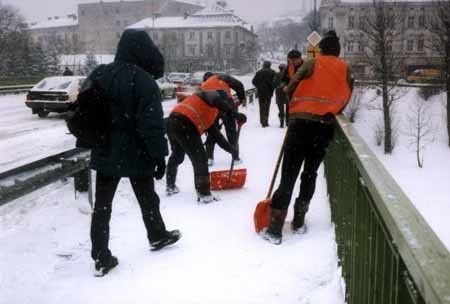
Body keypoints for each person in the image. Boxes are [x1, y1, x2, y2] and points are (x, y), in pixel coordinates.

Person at [86, 29, 181, 276]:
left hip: (105, 150)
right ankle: (157, 235)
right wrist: (160, 156)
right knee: (148, 198)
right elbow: (151, 125)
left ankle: (100, 257)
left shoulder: (100, 74)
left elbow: (86, 109)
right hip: (137, 152)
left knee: (102, 207)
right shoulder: (143, 80)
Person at [262, 30, 354, 245]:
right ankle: (299, 220)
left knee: (289, 174)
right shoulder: (346, 68)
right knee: (310, 173)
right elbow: (348, 93)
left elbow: (292, 86)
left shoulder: (313, 63)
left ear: (321, 49)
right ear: (338, 51)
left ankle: (275, 228)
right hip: (324, 128)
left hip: (301, 125)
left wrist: (297, 103)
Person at [165, 90, 247, 203]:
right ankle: (204, 195)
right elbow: (219, 102)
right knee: (200, 160)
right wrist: (235, 114)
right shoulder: (210, 96)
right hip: (185, 123)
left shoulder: (207, 111)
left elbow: (218, 137)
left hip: (172, 122)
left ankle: (170, 186)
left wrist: (232, 150)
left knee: (177, 155)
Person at [201, 72, 246, 165]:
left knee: (212, 131)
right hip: (226, 103)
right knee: (231, 132)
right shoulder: (221, 77)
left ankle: (209, 158)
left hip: (211, 106)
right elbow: (239, 85)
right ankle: (235, 158)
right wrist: (241, 98)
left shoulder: (203, 86)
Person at [252, 61, 276, 127]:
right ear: (270, 65)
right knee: (267, 106)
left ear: (263, 65)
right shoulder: (273, 72)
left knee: (261, 106)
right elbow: (275, 83)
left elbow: (253, 81)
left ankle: (262, 121)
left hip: (260, 92)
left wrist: (259, 86)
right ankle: (266, 121)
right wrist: (271, 87)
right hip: (269, 92)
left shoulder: (259, 72)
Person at [273, 63, 289, 128]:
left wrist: (278, 86)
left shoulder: (276, 75)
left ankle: (281, 123)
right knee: (288, 108)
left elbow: (274, 84)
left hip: (279, 93)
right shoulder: (288, 75)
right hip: (287, 92)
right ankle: (287, 122)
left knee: (281, 109)